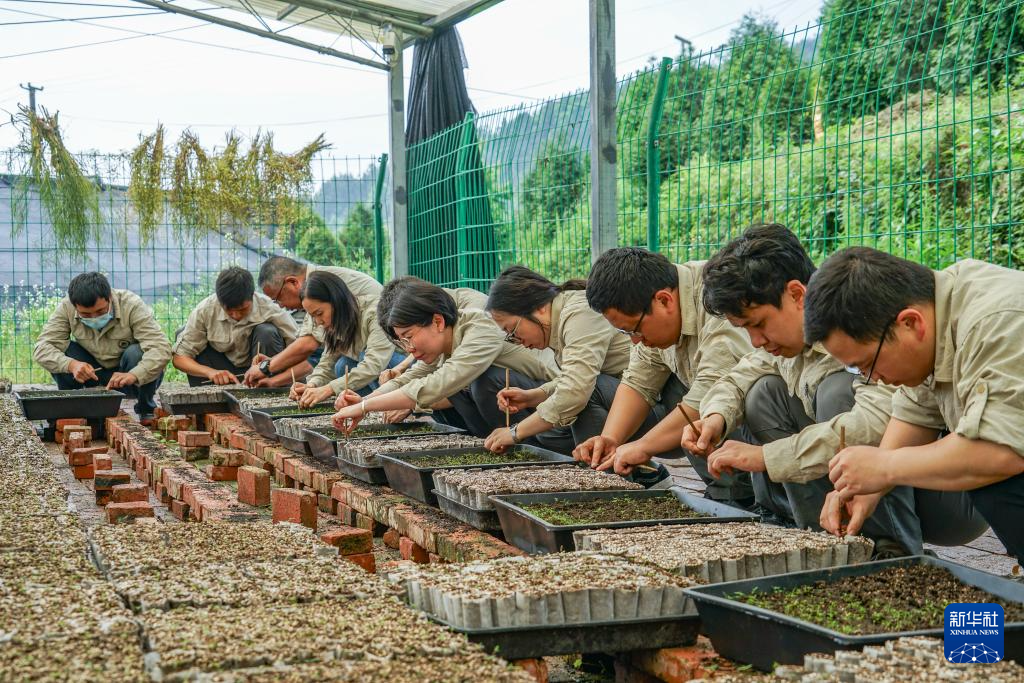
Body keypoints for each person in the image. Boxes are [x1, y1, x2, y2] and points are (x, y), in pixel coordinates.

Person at [672, 224, 931, 554]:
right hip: (870, 477)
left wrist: (765, 457)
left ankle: (890, 547)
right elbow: (737, 378)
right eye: (745, 329)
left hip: (934, 482)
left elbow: (874, 422)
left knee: (838, 392)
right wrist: (715, 417)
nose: (756, 341)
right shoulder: (785, 343)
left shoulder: (854, 321)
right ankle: (820, 541)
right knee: (762, 392)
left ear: (796, 295)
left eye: (759, 324)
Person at [803, 249, 1019, 558]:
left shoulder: (996, 322)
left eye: (867, 364)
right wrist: (868, 491)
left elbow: (1002, 452)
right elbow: (915, 414)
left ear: (910, 323)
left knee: (993, 476)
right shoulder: (938, 314)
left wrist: (884, 468)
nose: (873, 379)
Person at [574, 247, 754, 498]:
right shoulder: (656, 312)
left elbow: (712, 389)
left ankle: (743, 496)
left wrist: (643, 447)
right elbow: (638, 381)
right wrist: (610, 439)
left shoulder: (718, 297)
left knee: (725, 395)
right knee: (672, 382)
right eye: (627, 333)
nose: (635, 342)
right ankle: (725, 492)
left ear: (664, 300)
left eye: (634, 330)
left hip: (762, 413)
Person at [330, 277, 558, 440]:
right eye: (402, 342)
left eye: (409, 337)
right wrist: (363, 402)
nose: (408, 349)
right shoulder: (445, 345)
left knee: (480, 380)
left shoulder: (481, 326)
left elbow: (442, 381)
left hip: (550, 406)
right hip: (522, 407)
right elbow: (409, 378)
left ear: (437, 322)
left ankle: (527, 445)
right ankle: (487, 440)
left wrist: (364, 405)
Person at [483, 265, 631, 456]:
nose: (517, 341)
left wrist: (514, 433)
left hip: (651, 405)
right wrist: (533, 396)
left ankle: (611, 479)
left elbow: (576, 390)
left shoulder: (579, 313)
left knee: (584, 397)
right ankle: (636, 469)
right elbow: (576, 377)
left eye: (512, 330)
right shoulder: (559, 319)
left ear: (539, 308)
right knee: (550, 433)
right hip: (621, 397)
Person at [33, 272, 172, 420]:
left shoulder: (131, 304)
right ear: (75, 307)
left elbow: (160, 348)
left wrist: (134, 374)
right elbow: (42, 348)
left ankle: (147, 409)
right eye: (85, 314)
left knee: (136, 353)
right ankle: (72, 410)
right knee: (63, 351)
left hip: (127, 376)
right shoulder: (66, 307)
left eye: (100, 311)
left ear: (110, 298)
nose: (94, 318)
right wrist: (72, 365)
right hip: (91, 372)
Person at [249, 256, 384, 387]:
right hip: (363, 356)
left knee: (350, 362)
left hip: (384, 356)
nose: (280, 305)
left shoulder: (324, 286)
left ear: (293, 282)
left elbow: (308, 344)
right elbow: (325, 359)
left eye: (278, 298)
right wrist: (311, 386)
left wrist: (267, 367)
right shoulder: (318, 303)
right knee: (341, 365)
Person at [290, 270, 404, 407]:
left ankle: (394, 406)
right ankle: (368, 407)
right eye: (313, 316)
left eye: (319, 313)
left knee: (362, 357)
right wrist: (311, 385)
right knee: (342, 365)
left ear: (337, 301)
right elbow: (327, 362)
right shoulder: (335, 323)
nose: (318, 321)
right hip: (378, 375)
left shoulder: (374, 313)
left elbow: (374, 364)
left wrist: (328, 389)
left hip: (406, 371)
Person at [172, 267, 298, 386]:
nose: (236, 315)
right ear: (219, 301)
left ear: (252, 296)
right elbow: (179, 358)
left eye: (243, 309)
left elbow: (300, 350)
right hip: (223, 369)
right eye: (229, 310)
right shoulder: (205, 310)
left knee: (267, 332)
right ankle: (208, 398)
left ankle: (266, 391)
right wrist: (210, 372)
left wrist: (271, 366)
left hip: (262, 369)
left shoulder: (269, 308)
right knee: (183, 333)